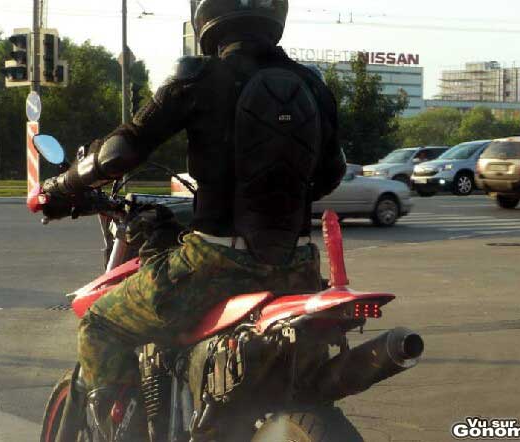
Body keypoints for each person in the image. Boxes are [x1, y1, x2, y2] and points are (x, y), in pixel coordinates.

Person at [42, 0, 346, 440]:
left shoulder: (198, 77)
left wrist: (63, 186)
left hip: (214, 268)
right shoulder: (312, 85)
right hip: (297, 269)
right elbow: (331, 172)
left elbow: (120, 152)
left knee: (100, 324)